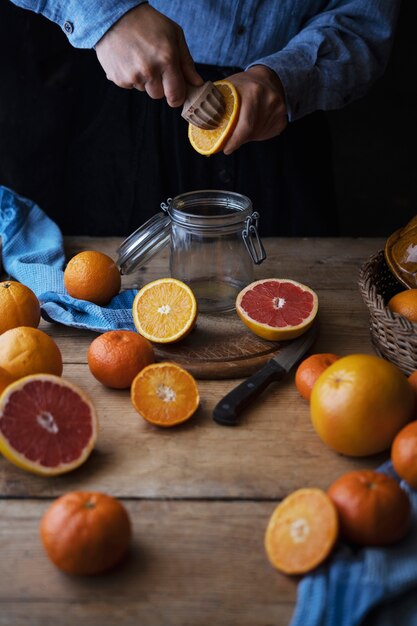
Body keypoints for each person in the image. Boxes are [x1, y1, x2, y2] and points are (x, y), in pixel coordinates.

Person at [2, 0, 400, 237]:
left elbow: (365, 19)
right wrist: (107, 13)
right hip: (130, 110)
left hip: (284, 119)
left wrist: (286, 78)